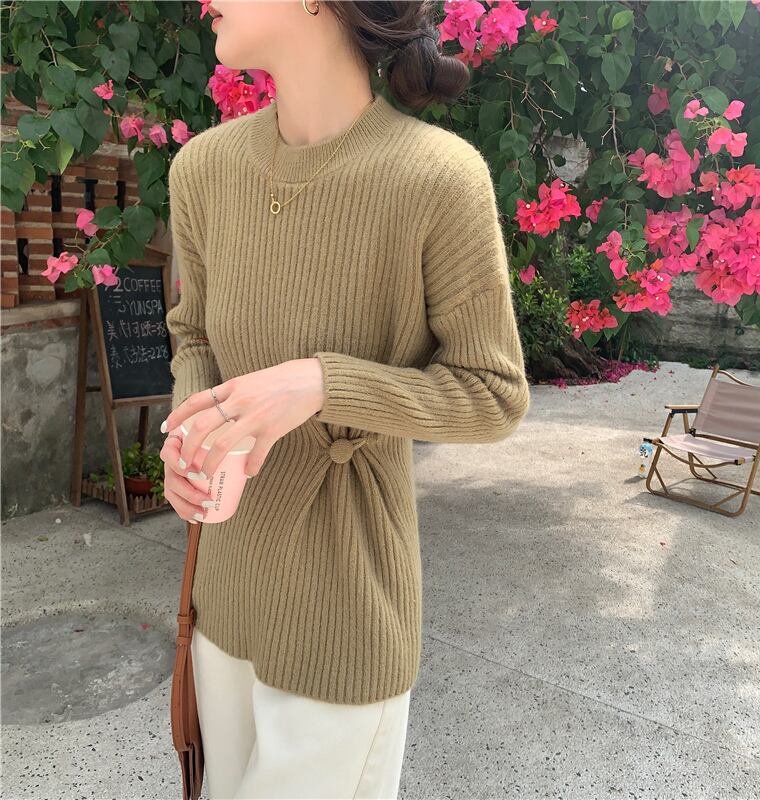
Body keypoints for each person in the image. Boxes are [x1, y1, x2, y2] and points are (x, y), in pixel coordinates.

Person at [159, 1, 531, 797]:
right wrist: (192, 436)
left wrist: (323, 384)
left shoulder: (438, 177)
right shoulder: (202, 169)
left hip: (346, 611)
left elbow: (493, 393)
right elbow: (194, 336)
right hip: (223, 595)